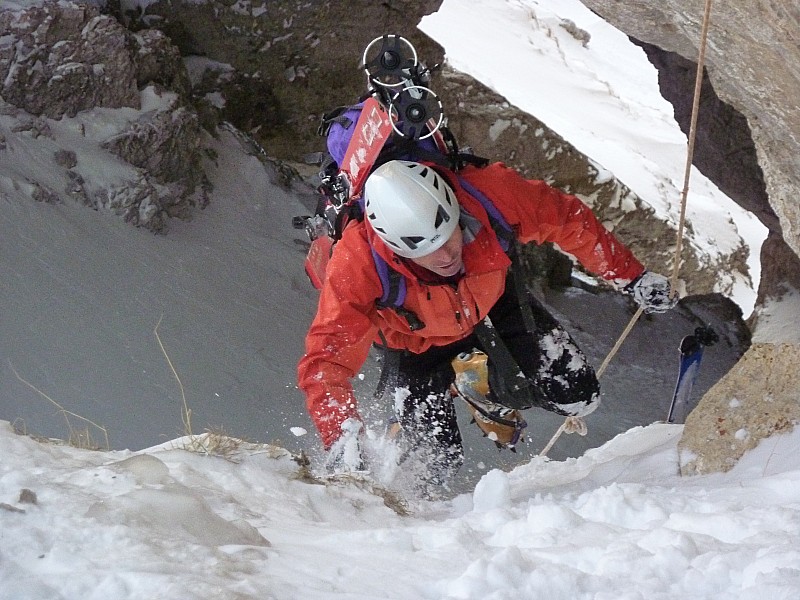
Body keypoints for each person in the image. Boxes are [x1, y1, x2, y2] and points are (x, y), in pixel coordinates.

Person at [297, 159, 677, 488]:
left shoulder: (488, 197)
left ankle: (472, 380)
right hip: (414, 343)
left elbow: (565, 217)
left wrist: (632, 276)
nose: (446, 256)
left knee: (576, 394)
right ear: (392, 247)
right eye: (425, 252)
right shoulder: (357, 262)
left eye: (449, 237)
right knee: (433, 465)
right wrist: (343, 435)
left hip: (493, 304)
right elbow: (325, 361)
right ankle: (435, 400)